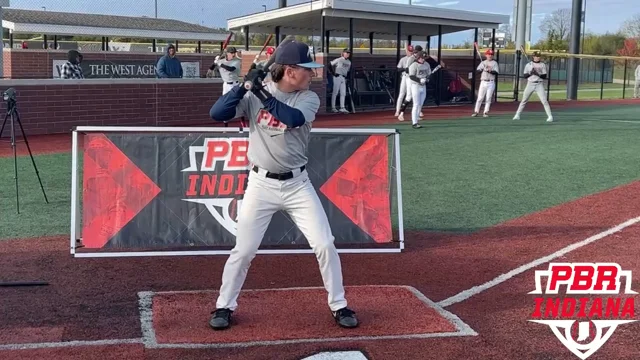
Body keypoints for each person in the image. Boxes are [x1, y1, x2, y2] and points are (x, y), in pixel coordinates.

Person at [208, 40, 358, 331]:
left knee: (325, 244)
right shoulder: (255, 96)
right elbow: (218, 113)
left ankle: (339, 305)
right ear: (290, 71)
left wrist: (260, 90)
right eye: (307, 69)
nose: (312, 74)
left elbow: (290, 119)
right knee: (244, 249)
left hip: (297, 184)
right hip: (260, 184)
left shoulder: (308, 98)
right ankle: (224, 305)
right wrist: (243, 86)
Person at [513, 51, 553, 122]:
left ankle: (550, 116)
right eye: (536, 56)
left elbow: (544, 76)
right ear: (533, 57)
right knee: (524, 100)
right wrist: (531, 73)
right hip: (530, 84)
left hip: (539, 84)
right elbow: (525, 76)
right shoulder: (529, 65)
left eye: (538, 56)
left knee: (544, 101)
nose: (537, 57)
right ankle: (517, 115)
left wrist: (537, 74)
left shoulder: (542, 65)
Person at [397, 45, 424, 121]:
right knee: (409, 96)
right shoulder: (411, 59)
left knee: (417, 96)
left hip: (416, 79)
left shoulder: (418, 58)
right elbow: (407, 70)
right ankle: (401, 113)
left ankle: (417, 114)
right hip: (409, 78)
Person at [407, 51, 431, 129]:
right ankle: (414, 122)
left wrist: (427, 79)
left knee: (420, 104)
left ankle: (417, 120)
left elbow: (429, 74)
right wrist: (419, 80)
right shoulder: (413, 65)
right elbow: (411, 76)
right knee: (416, 104)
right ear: (418, 57)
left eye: (424, 58)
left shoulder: (427, 64)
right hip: (415, 86)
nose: (423, 59)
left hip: (423, 86)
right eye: (421, 58)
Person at [472, 49, 498, 117]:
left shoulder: (494, 63)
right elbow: (477, 71)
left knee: (488, 98)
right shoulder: (483, 63)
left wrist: (489, 71)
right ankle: (476, 111)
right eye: (489, 54)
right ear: (486, 55)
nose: (490, 55)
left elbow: (496, 72)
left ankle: (485, 112)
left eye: (491, 54)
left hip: (491, 82)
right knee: (480, 97)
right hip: (483, 82)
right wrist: (482, 69)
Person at [329, 48, 352, 113]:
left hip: (343, 77)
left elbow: (347, 71)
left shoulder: (349, 62)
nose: (348, 54)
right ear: (343, 53)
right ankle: (333, 107)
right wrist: (333, 73)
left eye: (348, 53)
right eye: (346, 53)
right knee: (335, 92)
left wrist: (347, 77)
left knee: (343, 93)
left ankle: (342, 107)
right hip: (337, 76)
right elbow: (330, 64)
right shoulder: (339, 59)